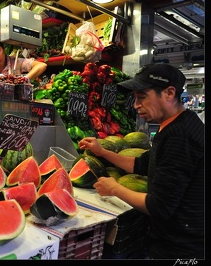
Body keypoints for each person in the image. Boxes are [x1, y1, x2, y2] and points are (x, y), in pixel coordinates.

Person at [78, 63, 204, 259]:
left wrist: (114, 189)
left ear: (169, 93)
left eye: (142, 97)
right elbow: (142, 164)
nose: (136, 105)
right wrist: (102, 151)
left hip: (179, 249)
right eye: (135, 98)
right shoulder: (176, 125)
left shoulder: (180, 136)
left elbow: (159, 206)